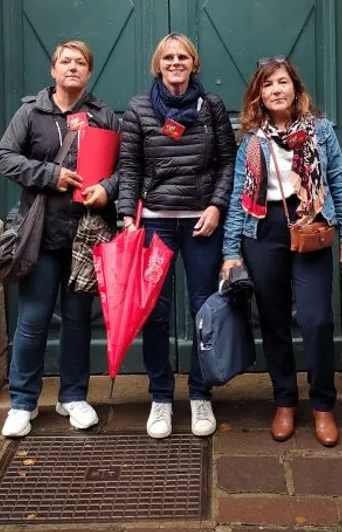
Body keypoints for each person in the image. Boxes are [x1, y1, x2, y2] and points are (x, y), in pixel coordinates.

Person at [222, 58, 342, 447]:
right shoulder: (251, 141)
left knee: (316, 320)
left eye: (283, 82)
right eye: (268, 85)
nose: (276, 90)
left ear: (296, 89)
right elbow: (237, 197)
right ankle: (284, 400)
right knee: (274, 319)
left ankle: (322, 405)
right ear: (259, 95)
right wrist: (231, 251)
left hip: (310, 225)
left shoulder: (320, 131)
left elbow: (338, 182)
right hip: (262, 232)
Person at [0, 40, 119, 438]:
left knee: (79, 321)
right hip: (42, 236)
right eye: (65, 61)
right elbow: (5, 156)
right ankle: (22, 402)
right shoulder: (31, 112)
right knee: (32, 320)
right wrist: (51, 175)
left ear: (88, 71)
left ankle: (74, 396)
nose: (72, 68)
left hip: (85, 235)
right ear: (53, 70)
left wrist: (108, 189)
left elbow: (126, 167)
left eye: (80, 62)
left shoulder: (103, 116)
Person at [117, 33, 236, 439]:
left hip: (201, 222)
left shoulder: (212, 107)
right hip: (155, 223)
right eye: (168, 57)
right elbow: (129, 166)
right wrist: (126, 216)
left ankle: (201, 394)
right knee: (155, 311)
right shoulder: (138, 108)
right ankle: (161, 398)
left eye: (182, 56)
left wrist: (217, 206)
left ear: (193, 63)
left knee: (205, 309)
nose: (175, 62)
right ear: (158, 64)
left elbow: (227, 162)